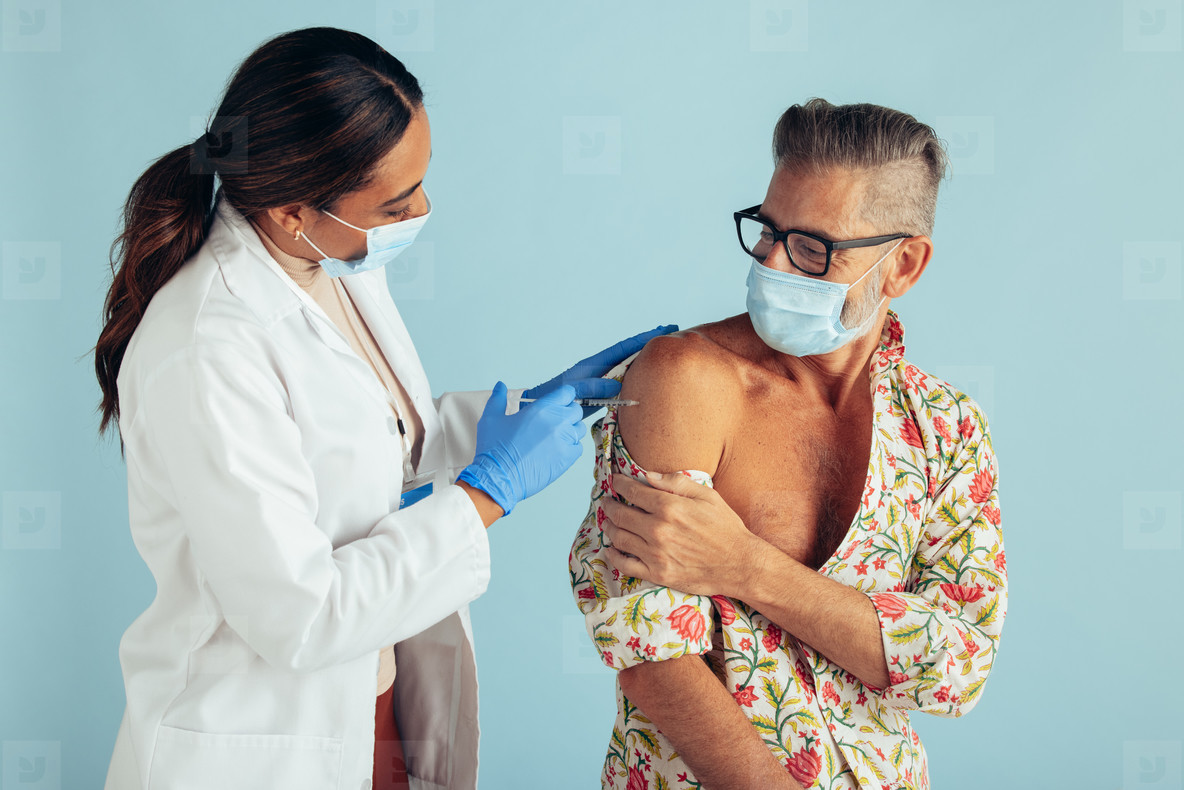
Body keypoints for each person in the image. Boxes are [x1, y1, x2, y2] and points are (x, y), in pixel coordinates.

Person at [91, 27, 674, 790]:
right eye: (398, 202)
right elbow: (299, 616)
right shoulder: (207, 347)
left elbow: (372, 440)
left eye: (422, 182)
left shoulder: (332, 261)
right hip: (266, 742)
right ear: (293, 209)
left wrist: (527, 410)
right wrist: (488, 492)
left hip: (376, 707)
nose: (423, 209)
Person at [570, 98, 1006, 789]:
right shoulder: (686, 380)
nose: (772, 263)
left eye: (811, 247)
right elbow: (647, 645)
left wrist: (747, 568)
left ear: (903, 267)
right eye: (767, 230)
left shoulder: (946, 427)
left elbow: (955, 667)